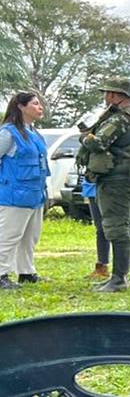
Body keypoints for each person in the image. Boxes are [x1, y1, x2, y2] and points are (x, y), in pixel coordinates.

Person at [78, 78, 130, 293]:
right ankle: (119, 276)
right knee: (119, 226)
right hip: (123, 177)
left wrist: (85, 137)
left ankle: (119, 278)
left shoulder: (121, 118)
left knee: (116, 228)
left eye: (107, 93)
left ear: (115, 96)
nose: (105, 98)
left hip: (116, 179)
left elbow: (99, 143)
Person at [0, 92, 50, 289]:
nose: (40, 108)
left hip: (35, 194)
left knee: (30, 236)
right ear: (21, 106)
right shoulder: (8, 133)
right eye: (35, 104)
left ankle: (26, 272)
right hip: (14, 194)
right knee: (8, 235)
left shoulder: (35, 133)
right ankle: (1, 273)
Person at [82, 179, 110, 280]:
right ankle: (102, 265)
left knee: (115, 230)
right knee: (101, 229)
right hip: (93, 188)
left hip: (109, 189)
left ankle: (119, 270)